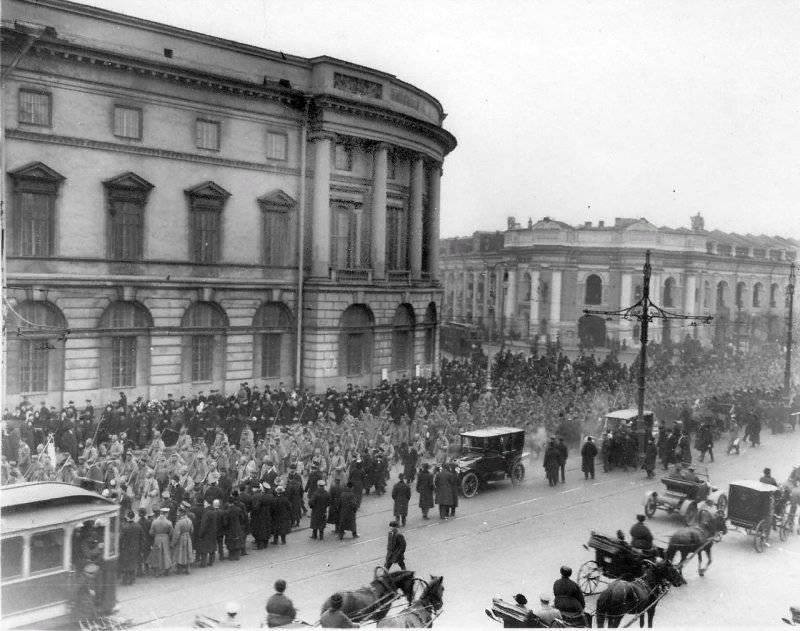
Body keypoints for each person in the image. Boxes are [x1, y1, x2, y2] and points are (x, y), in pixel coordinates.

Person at [118, 510, 141, 585]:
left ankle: (125, 580)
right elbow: (141, 538)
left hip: (126, 548)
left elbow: (120, 539)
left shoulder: (124, 527)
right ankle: (132, 580)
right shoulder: (138, 526)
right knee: (133, 563)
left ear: (127, 517)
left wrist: (120, 548)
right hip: (136, 547)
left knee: (126, 564)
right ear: (134, 517)